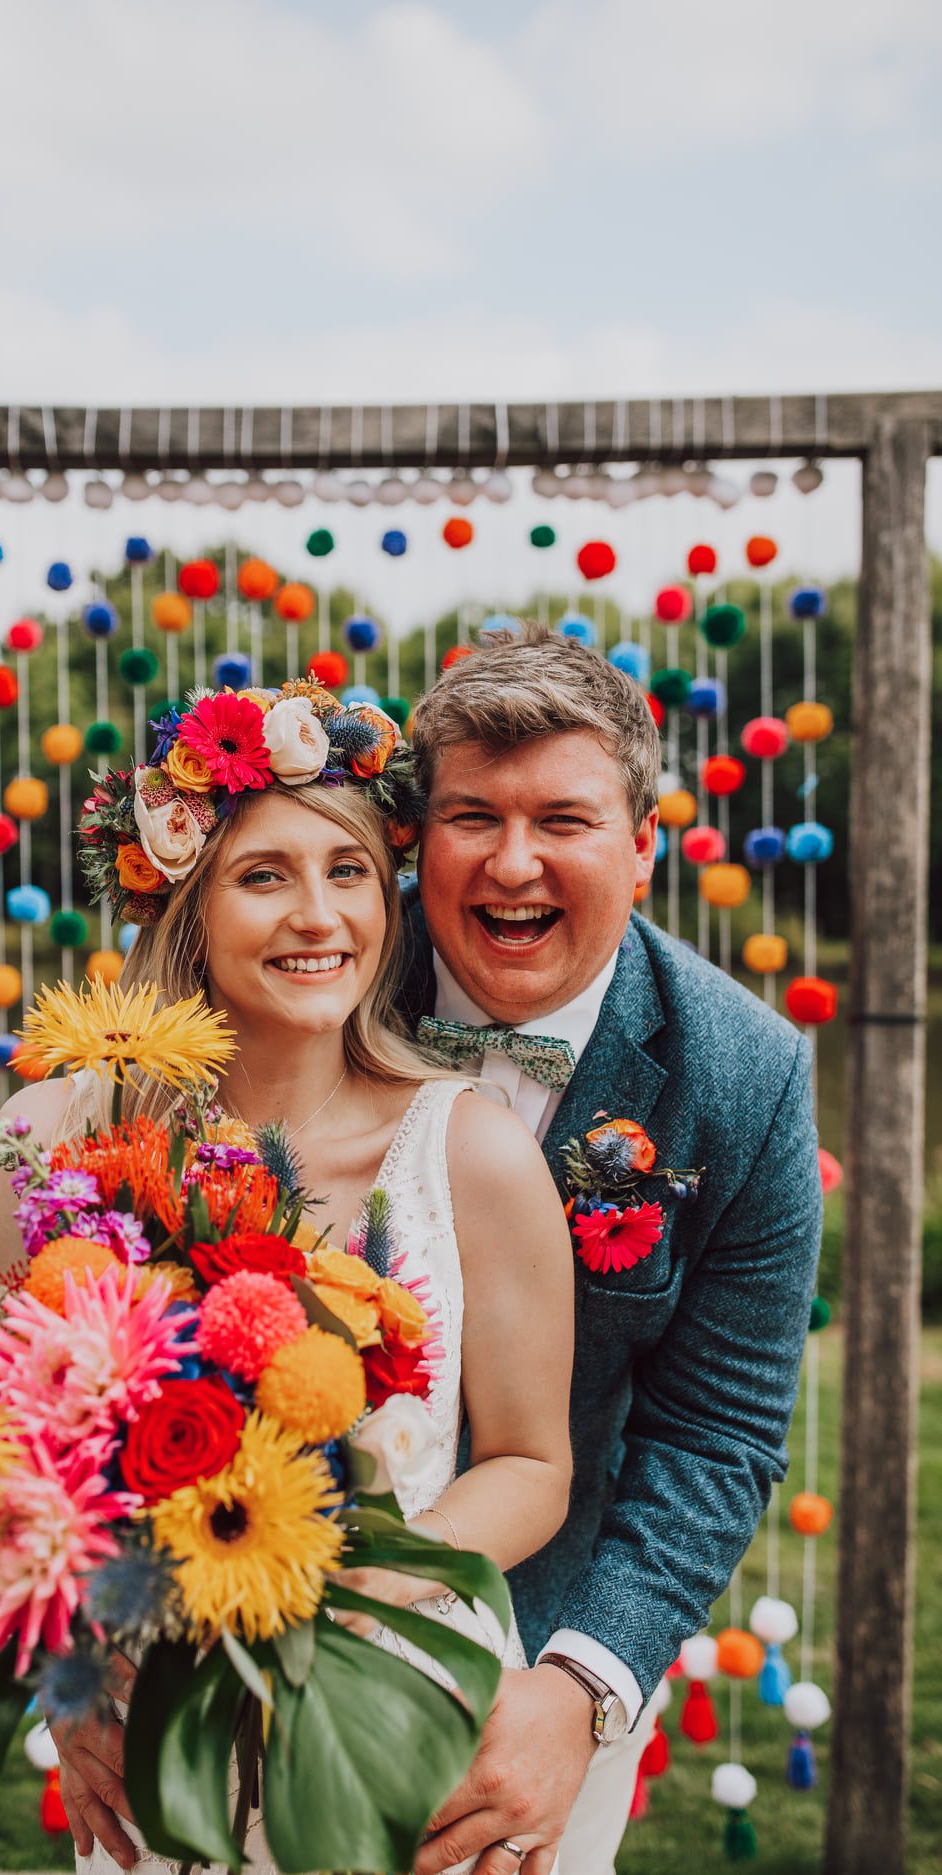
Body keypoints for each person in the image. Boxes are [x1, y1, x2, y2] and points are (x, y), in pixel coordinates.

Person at [0, 690, 575, 1875]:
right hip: (153, 1727)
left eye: (349, 871)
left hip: (402, 1709)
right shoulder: (41, 1143)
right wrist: (66, 1669)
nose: (318, 916)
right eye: (263, 877)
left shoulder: (474, 1151)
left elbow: (530, 1464)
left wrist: (350, 1583)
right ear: (182, 904)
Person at [393, 626, 822, 1875]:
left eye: (563, 821)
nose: (511, 862)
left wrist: (585, 1683)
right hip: (243, 1632)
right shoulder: (308, 987)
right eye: (470, 814)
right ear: (416, 837)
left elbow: (718, 1432)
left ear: (642, 847)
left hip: (542, 1659)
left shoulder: (742, 1076)